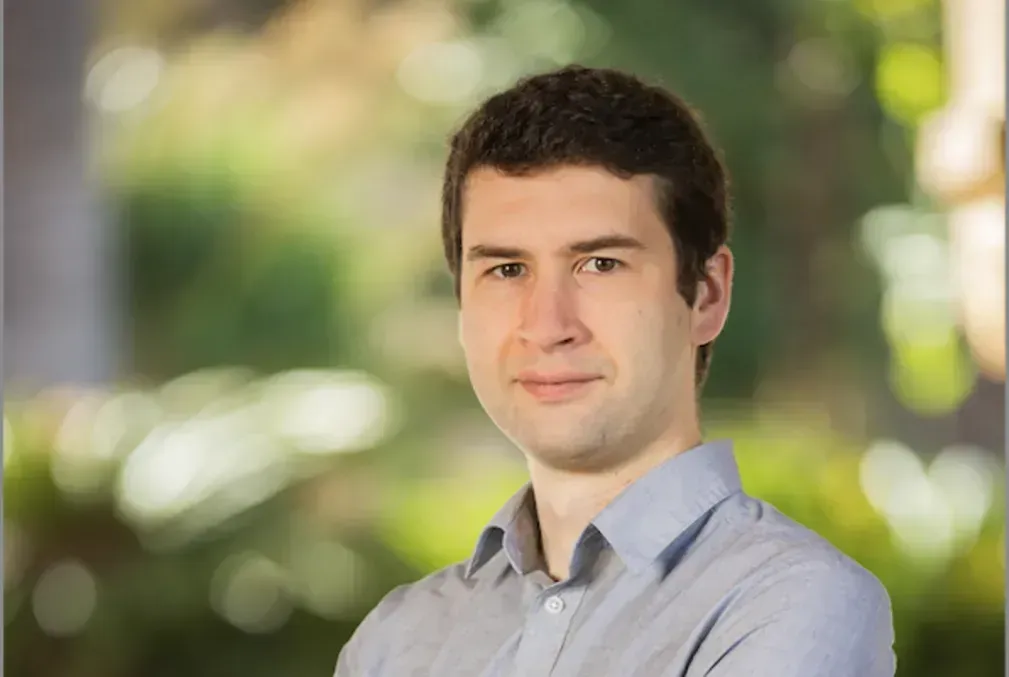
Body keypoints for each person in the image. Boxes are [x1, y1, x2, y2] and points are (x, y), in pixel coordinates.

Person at [334, 64, 896, 677]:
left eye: (599, 264)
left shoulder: (792, 601)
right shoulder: (395, 639)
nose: (548, 325)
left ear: (706, 295)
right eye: (506, 270)